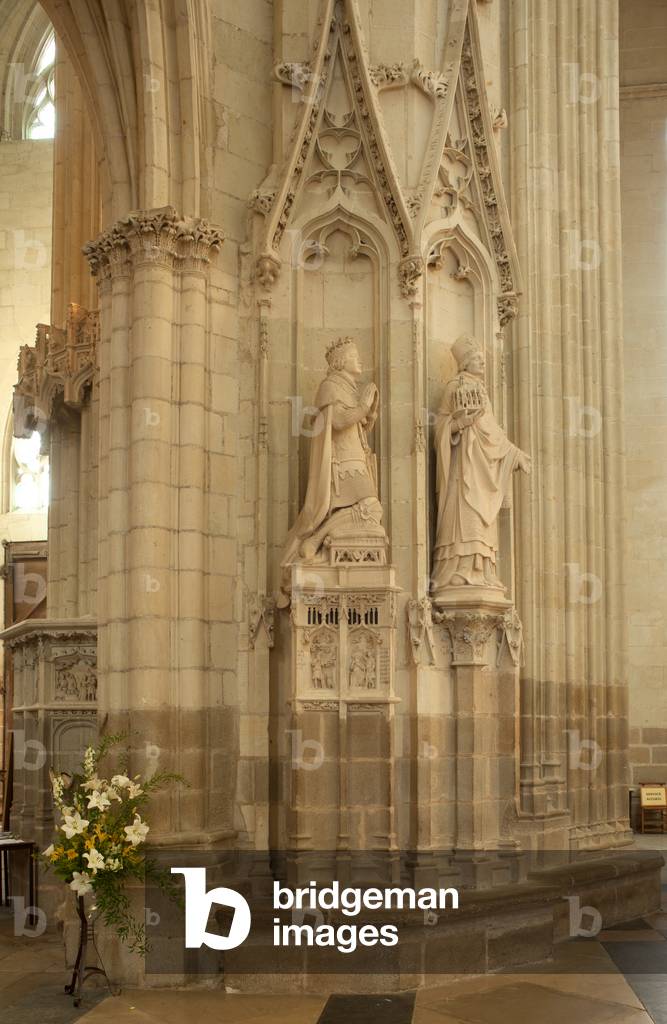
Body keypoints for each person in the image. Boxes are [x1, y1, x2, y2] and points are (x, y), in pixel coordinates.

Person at [432, 334, 531, 597]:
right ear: (464, 363)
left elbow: (491, 430)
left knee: (482, 520)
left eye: (482, 359)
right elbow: (441, 427)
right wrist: (459, 423)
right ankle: (458, 570)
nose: (482, 363)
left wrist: (512, 453)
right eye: (476, 359)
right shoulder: (454, 388)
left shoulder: (483, 392)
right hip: (462, 466)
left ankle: (483, 572)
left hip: (482, 465)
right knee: (464, 516)